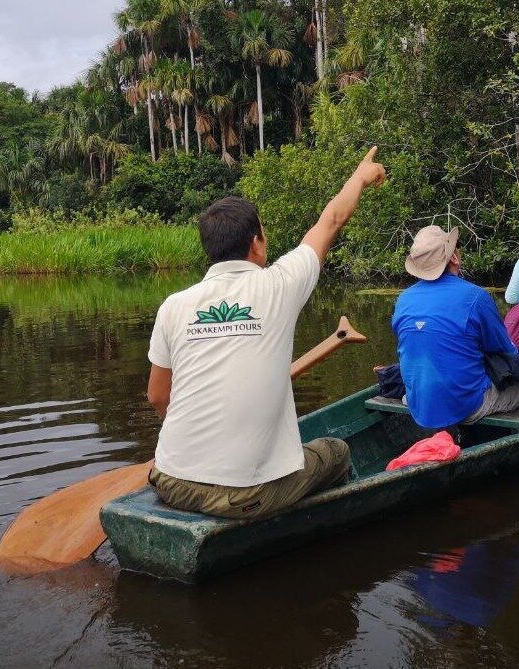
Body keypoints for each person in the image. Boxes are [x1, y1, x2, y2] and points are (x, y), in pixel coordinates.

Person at [145, 147, 386, 519]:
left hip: (168, 479)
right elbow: (331, 221)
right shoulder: (280, 286)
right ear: (256, 242)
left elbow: (158, 396)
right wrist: (360, 176)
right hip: (244, 497)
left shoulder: (173, 305)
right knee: (336, 452)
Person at [393, 225, 519, 429]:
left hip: (417, 403)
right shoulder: (475, 297)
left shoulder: (403, 299)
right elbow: (505, 349)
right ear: (454, 257)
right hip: (466, 406)